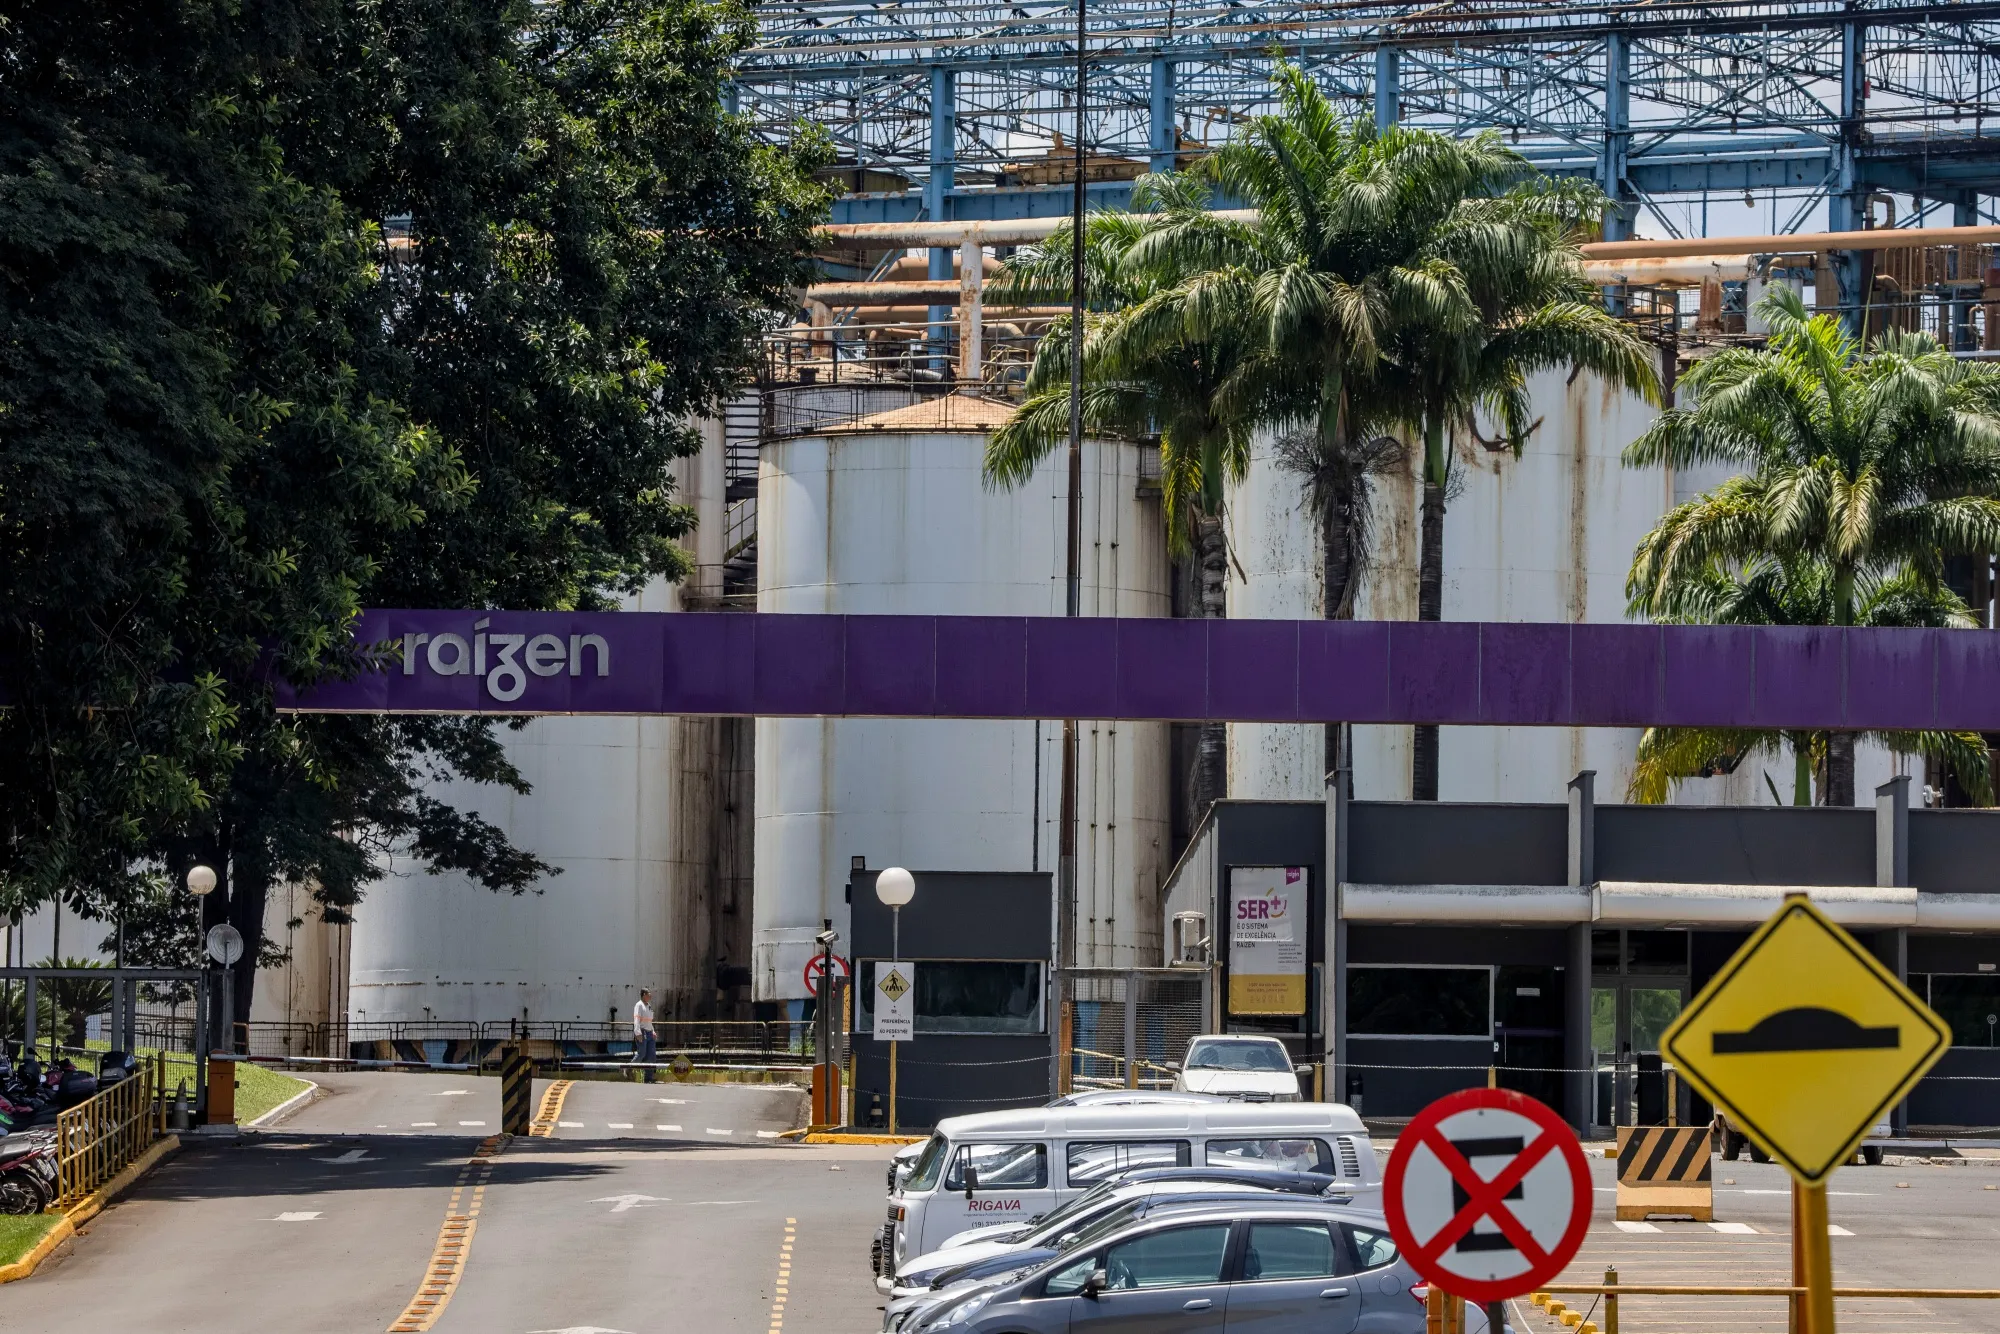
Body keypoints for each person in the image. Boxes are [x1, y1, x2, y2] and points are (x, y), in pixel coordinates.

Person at [633, 988, 657, 1083]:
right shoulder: (639, 1005)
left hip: (649, 1032)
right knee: (641, 1053)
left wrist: (653, 1031)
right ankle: (628, 1068)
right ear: (643, 994)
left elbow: (649, 1021)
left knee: (651, 1055)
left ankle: (648, 1078)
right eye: (648, 994)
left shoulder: (649, 1006)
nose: (650, 995)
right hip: (642, 1032)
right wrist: (638, 1033)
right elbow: (636, 1020)